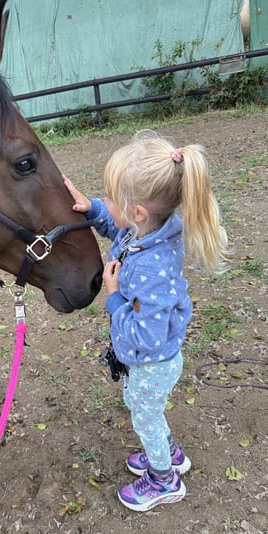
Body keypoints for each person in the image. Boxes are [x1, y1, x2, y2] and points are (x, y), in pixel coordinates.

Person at [63, 130, 227, 512]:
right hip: (151, 361)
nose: (105, 201)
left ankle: (164, 479)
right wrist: (92, 209)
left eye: (109, 198)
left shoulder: (152, 267)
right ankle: (169, 452)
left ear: (138, 212)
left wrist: (114, 297)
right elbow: (116, 227)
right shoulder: (146, 230)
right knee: (145, 410)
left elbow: (147, 336)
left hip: (152, 362)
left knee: (145, 417)